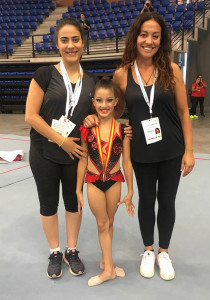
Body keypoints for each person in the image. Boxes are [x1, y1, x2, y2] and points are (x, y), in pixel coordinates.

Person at [112, 12, 195, 281]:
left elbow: (184, 112)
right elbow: (117, 110)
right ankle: (148, 250)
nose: (149, 40)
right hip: (141, 150)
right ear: (135, 37)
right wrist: (107, 120)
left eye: (155, 36)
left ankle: (163, 251)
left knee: (166, 200)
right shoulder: (122, 74)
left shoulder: (170, 70)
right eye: (144, 34)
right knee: (147, 200)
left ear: (162, 39)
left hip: (172, 148)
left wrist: (190, 150)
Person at [25, 18, 99, 279]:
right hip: (45, 151)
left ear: (83, 42)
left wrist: (92, 118)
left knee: (73, 202)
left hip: (74, 154)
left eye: (75, 39)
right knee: (48, 203)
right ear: (57, 44)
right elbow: (31, 116)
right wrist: (61, 139)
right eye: (65, 40)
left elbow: (92, 114)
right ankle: (55, 251)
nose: (71, 45)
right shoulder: (44, 74)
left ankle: (71, 250)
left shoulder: (91, 81)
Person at [76, 77, 135, 287]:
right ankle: (109, 270)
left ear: (116, 101)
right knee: (102, 223)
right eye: (99, 100)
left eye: (109, 100)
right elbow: (83, 158)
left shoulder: (122, 130)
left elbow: (127, 162)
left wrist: (130, 191)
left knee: (110, 223)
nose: (104, 105)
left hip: (115, 181)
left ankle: (105, 260)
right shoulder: (87, 128)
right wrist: (78, 189)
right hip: (93, 181)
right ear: (93, 101)